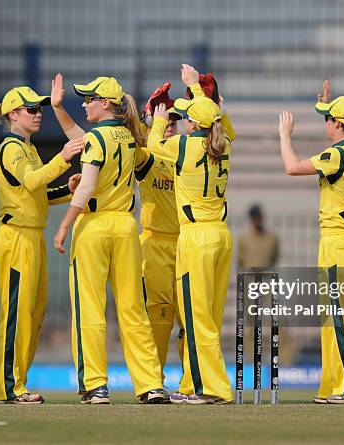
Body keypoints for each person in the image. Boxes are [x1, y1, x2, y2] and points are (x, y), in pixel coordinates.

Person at [52, 76, 167, 404]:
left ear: (106, 103)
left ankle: (96, 384)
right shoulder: (128, 138)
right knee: (133, 309)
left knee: (89, 308)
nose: (85, 103)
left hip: (94, 227)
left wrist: (63, 225)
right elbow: (82, 139)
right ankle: (150, 384)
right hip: (126, 227)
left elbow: (86, 185)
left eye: (90, 99)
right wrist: (58, 107)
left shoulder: (98, 139)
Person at [278, 80, 344, 404]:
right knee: (335, 314)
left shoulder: (336, 155)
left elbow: (292, 167)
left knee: (343, 315)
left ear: (338, 124)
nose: (324, 124)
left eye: (327, 119)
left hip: (339, 242)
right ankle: (334, 385)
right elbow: (339, 124)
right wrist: (328, 105)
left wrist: (284, 137)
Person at [145, 64, 234, 405]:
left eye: (184, 117)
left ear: (193, 124)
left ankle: (207, 388)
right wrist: (196, 89)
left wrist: (157, 117)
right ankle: (196, 385)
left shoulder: (183, 146)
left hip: (195, 238)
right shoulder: (223, 144)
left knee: (197, 319)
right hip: (222, 236)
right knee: (207, 315)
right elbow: (216, 118)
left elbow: (154, 144)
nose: (179, 120)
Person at [0, 86, 83, 404]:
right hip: (16, 237)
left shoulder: (26, 148)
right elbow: (32, 181)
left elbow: (37, 193)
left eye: (40, 108)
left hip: (31, 235)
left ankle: (18, 383)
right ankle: (9, 387)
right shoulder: (12, 148)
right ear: (14, 114)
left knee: (33, 313)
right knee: (17, 312)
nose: (39, 113)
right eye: (32, 109)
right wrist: (64, 157)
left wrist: (68, 190)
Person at [135, 81, 184, 376]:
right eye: (166, 119)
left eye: (174, 120)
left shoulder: (184, 153)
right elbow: (138, 148)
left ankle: (191, 383)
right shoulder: (147, 154)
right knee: (159, 315)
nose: (170, 125)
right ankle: (154, 379)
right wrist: (150, 122)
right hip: (155, 245)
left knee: (189, 318)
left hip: (185, 241)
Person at [237, 204, 279, 269]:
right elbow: (240, 261)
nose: (257, 220)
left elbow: (275, 257)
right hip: (249, 277)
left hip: (266, 276)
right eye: (254, 217)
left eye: (259, 217)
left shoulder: (271, 238)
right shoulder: (244, 238)